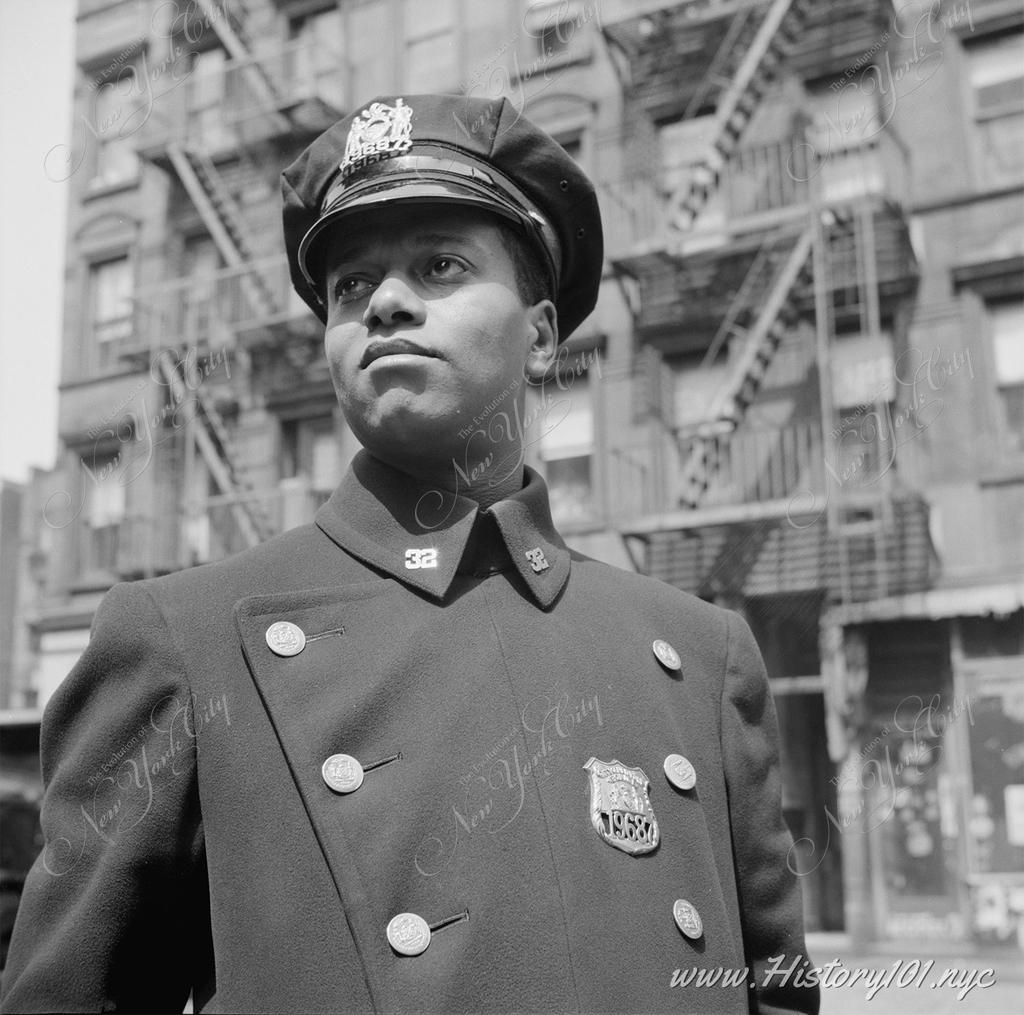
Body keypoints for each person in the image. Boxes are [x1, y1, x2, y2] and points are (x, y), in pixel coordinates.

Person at [1, 93, 819, 1014]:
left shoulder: (698, 656)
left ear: (542, 334)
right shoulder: (182, 643)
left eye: (439, 265)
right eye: (351, 285)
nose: (384, 300)